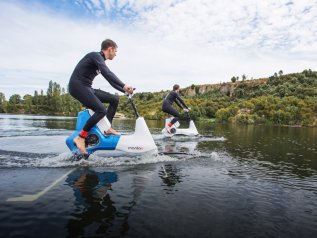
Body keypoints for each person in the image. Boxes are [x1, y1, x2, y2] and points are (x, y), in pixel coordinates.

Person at [69, 39, 133, 155]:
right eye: (115, 51)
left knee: (114, 99)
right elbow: (108, 73)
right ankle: (80, 137)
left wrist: (124, 91)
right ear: (110, 49)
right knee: (101, 110)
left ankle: (107, 128)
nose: (116, 54)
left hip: (87, 87)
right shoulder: (95, 56)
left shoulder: (100, 61)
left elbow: (111, 81)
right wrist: (124, 85)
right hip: (77, 87)